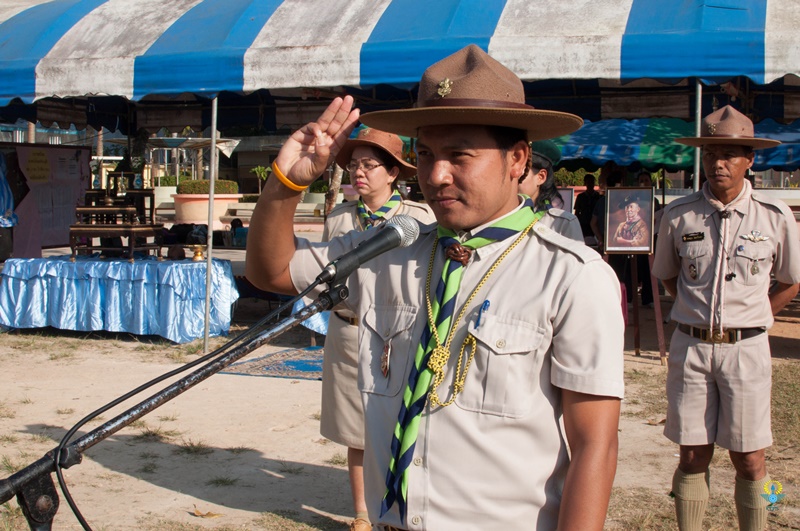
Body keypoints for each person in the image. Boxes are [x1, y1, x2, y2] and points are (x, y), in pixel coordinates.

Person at [245, 44, 624, 530]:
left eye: (459, 155)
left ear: (517, 159)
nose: (436, 175)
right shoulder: (385, 252)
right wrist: (285, 184)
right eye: (425, 154)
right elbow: (272, 271)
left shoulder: (570, 275)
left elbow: (595, 445)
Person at [652, 105, 800, 531]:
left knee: (752, 459)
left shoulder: (775, 216)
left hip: (747, 350)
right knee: (691, 454)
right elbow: (668, 276)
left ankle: (770, 512)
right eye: (712, 153)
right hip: (692, 349)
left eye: (730, 154)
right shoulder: (679, 215)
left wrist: (756, 316)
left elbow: (791, 281)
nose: (718, 163)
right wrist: (696, 311)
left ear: (749, 159)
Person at [321, 127, 434, 531]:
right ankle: (362, 514)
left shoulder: (418, 219)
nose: (359, 172)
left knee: (402, 422)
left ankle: (401, 507)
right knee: (356, 429)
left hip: (398, 334)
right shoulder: (339, 218)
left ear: (393, 173)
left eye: (369, 165)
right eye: (354, 164)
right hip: (348, 333)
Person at [518, 139, 583, 241]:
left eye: (521, 173)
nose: (512, 179)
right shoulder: (498, 218)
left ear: (540, 177)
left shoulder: (562, 224)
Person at [573, 174, 600, 244]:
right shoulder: (580, 197)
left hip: (596, 224)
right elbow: (577, 212)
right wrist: (576, 224)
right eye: (589, 182)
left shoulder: (598, 196)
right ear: (585, 183)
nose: (590, 184)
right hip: (584, 224)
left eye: (592, 182)